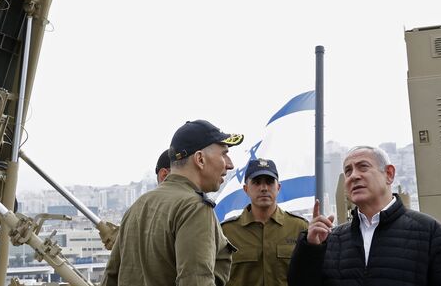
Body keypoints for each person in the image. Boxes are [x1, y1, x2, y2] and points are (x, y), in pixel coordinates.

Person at [288, 146, 441, 286]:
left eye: (363, 167)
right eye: (348, 171)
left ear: (389, 174)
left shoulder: (430, 231)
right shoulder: (333, 239)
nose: (354, 176)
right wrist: (310, 249)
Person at [101, 120, 244, 286]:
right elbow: (195, 281)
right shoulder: (194, 208)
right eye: (223, 154)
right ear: (200, 159)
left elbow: (111, 276)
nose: (230, 164)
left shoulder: (139, 205)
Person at [221, 158, 308, 286]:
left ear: (278, 187)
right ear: (246, 189)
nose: (264, 188)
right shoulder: (226, 232)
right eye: (256, 182)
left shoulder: (299, 228)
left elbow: (309, 274)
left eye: (269, 182)